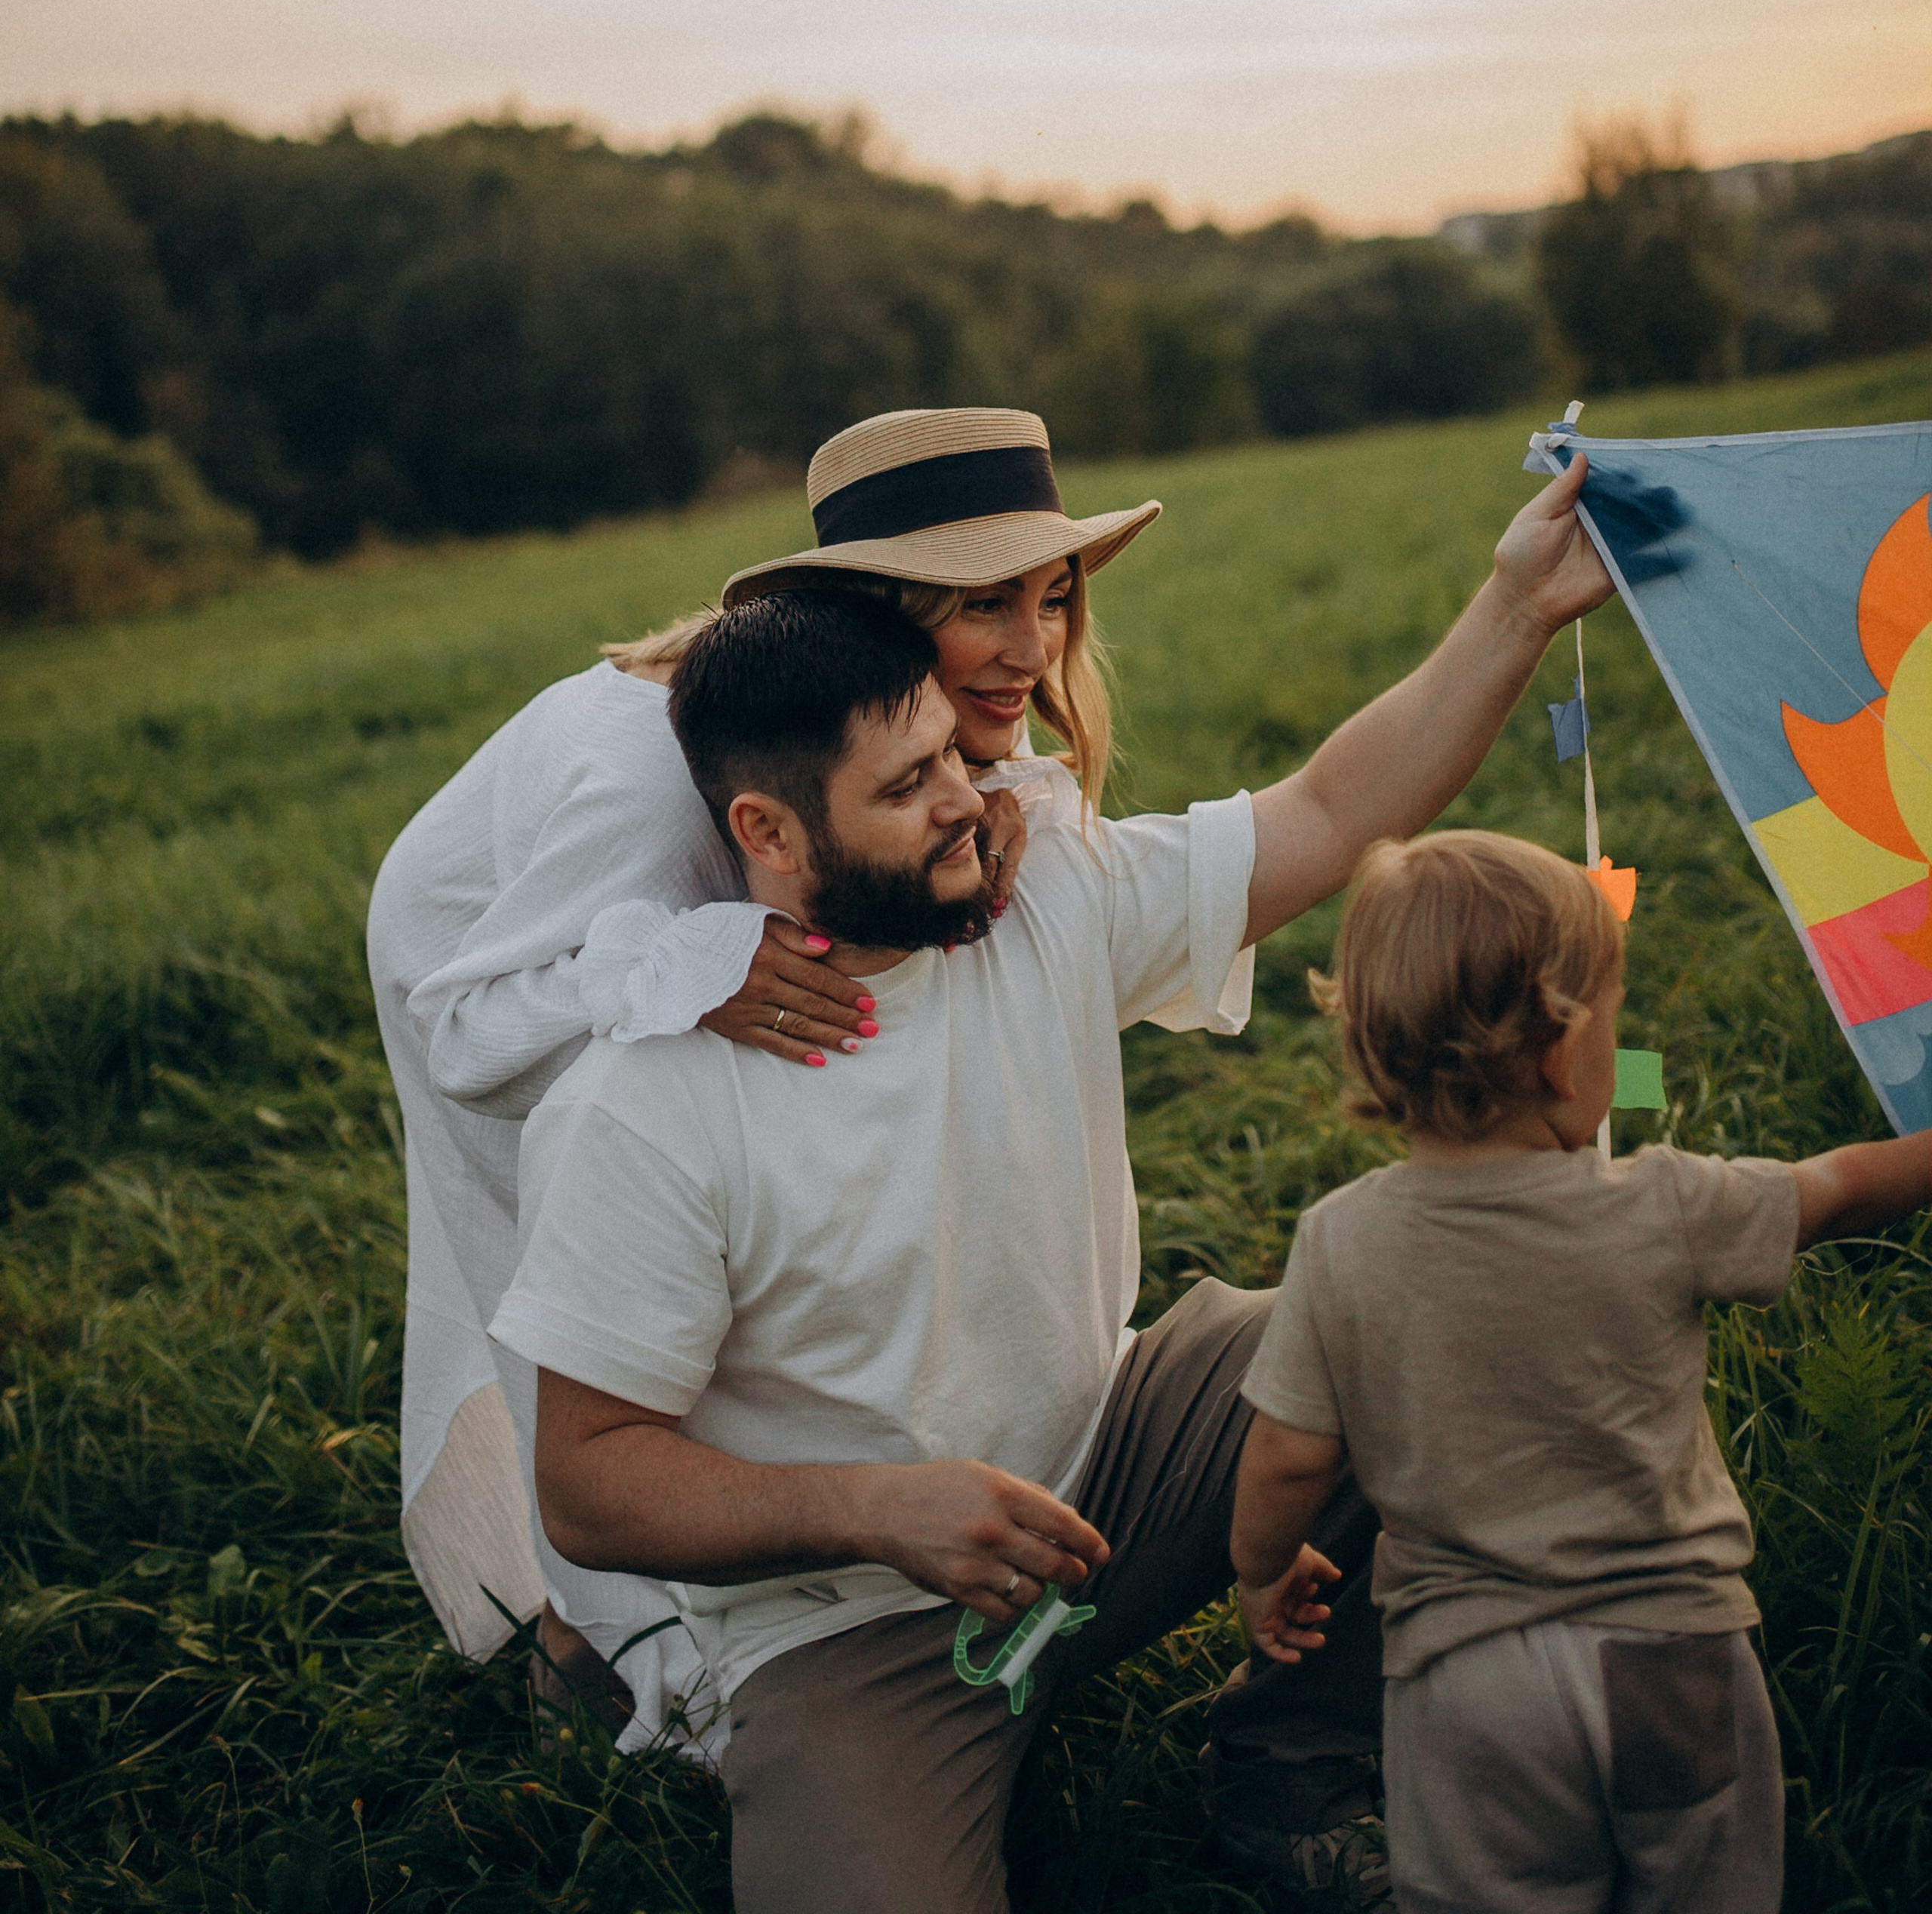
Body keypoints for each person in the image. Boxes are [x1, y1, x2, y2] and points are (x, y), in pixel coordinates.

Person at [493, 453, 1611, 1914]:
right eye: (908, 787)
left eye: (954, 760)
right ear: (766, 833)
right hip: (850, 1627)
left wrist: (1517, 605)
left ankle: (1288, 1764)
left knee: (1410, 1325)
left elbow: (1335, 810)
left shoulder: (1042, 886)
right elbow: (585, 1480)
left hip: (1113, 1466)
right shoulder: (651, 1096)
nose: (967, 803)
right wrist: (878, 1511)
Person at [366, 407, 1156, 1733]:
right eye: (985, 603)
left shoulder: (900, 718)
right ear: (882, 613)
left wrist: (996, 805)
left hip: (673, 893)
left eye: (1055, 596)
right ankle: (600, 1634)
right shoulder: (651, 786)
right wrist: (693, 962)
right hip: (483, 955)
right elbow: (472, 1038)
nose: (1034, 648)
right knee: (588, 1288)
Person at [1231, 829, 1932, 1914]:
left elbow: (1286, 1457)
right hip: (1675, 1652)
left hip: (1468, 1686)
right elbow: (1838, 1187)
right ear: (1564, 1052)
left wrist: (1262, 1572)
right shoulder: (1666, 1204)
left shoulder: (1339, 1241)